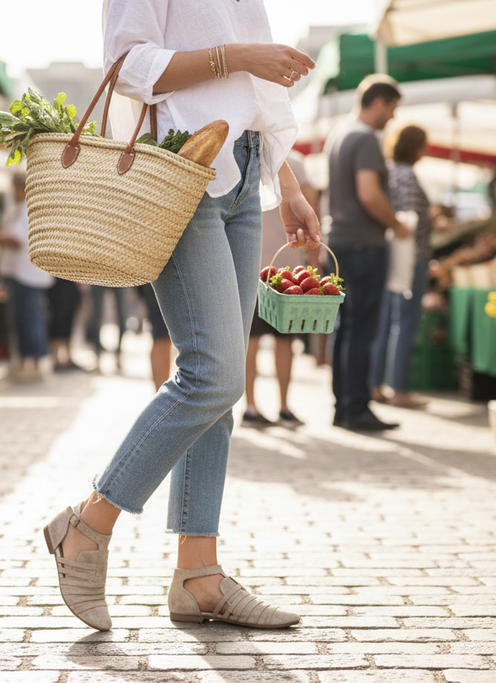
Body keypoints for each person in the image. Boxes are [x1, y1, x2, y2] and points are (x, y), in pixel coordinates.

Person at [43, 0, 321, 632]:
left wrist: (291, 186)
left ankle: (199, 575)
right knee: (213, 375)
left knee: (223, 389)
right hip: (177, 170)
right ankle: (86, 526)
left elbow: (258, 96)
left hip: (246, 173)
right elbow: (128, 65)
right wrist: (239, 55)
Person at [325, 74, 407, 431]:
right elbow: (369, 193)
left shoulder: (338, 135)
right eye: (392, 108)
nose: (392, 117)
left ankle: (343, 406)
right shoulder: (366, 139)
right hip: (363, 243)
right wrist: (396, 223)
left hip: (339, 243)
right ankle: (357, 407)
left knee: (344, 327)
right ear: (378, 102)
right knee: (361, 329)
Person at [243, 150, 316, 428]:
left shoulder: (251, 153)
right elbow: (312, 207)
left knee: (254, 340)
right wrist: (312, 257)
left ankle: (252, 406)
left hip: (256, 261)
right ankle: (281, 406)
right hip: (287, 265)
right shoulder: (295, 162)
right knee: (284, 340)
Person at [370, 125, 433, 409]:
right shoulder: (406, 175)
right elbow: (407, 217)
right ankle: (399, 388)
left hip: (390, 255)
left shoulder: (389, 170)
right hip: (410, 257)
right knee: (405, 322)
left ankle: (375, 385)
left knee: (385, 321)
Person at [0, 173, 53, 381]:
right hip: (19, 273)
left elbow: (17, 240)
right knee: (21, 319)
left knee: (30, 319)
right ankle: (24, 360)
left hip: (28, 274)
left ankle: (34, 362)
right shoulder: (19, 209)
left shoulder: (29, 210)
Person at [85, 286, 130, 373]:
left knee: (120, 314)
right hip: (102, 276)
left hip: (117, 275)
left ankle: (117, 356)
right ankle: (98, 357)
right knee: (97, 314)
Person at [46, 278, 83, 371]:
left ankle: (69, 356)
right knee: (57, 319)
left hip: (72, 283)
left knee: (68, 320)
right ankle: (56, 358)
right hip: (57, 283)